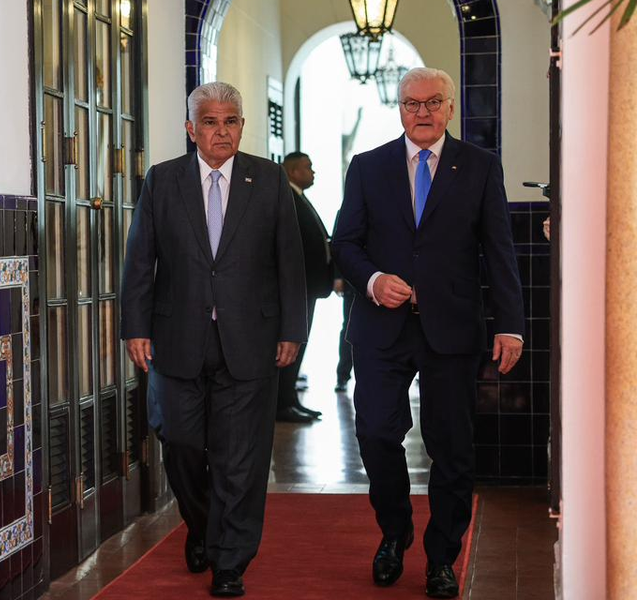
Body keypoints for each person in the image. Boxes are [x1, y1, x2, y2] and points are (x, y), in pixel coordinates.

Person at [331, 67, 523, 599]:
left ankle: (442, 558)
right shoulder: (368, 168)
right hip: (380, 328)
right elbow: (344, 242)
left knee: (452, 447)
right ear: (399, 108)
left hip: (453, 328)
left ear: (450, 108)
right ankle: (394, 533)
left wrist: (510, 325)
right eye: (412, 103)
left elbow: (499, 249)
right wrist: (372, 279)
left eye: (433, 102)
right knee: (374, 433)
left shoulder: (480, 167)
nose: (422, 112)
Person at [121, 81, 307, 597]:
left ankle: (230, 561)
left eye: (230, 121)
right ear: (191, 128)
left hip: (251, 340)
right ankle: (202, 526)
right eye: (210, 121)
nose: (221, 130)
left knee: (240, 458)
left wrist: (294, 328)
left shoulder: (268, 181)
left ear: (242, 127)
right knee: (178, 441)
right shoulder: (163, 181)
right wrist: (135, 326)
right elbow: (140, 260)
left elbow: (289, 261)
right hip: (176, 338)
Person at [276, 152, 335, 422]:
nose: (313, 172)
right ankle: (283, 403)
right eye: (307, 167)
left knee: (298, 344)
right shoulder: (287, 199)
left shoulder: (298, 196)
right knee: (290, 344)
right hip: (297, 289)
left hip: (309, 288)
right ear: (291, 171)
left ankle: (291, 399)